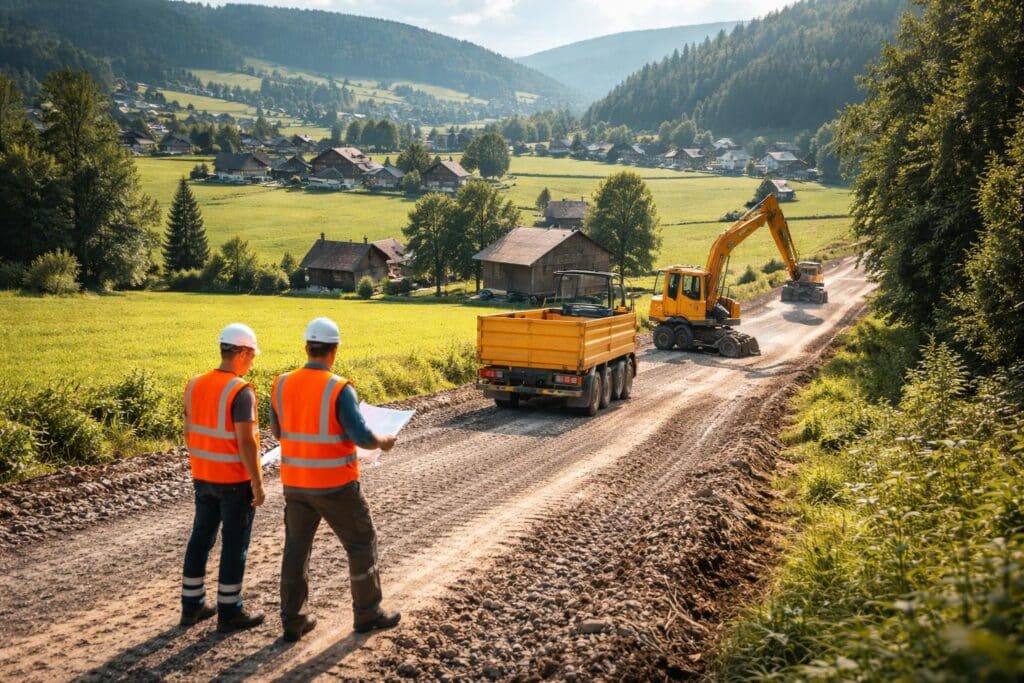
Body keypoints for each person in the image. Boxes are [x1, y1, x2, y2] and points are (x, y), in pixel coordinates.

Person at [271, 317, 400, 642]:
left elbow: (277, 432)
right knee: (361, 542)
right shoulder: (338, 388)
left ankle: (293, 620)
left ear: (306, 347)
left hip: (295, 484)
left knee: (296, 550)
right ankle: (367, 613)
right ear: (335, 349)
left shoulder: (282, 383)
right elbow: (360, 436)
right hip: (335, 485)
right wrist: (382, 440)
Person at [180, 323, 266, 632]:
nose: (251, 362)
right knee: (234, 544)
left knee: (200, 539)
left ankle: (191, 607)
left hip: (202, 476)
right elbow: (247, 441)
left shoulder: (194, 384)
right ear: (242, 352)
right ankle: (230, 611)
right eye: (252, 356)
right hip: (233, 480)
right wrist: (256, 482)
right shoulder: (240, 391)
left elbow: (189, 432)